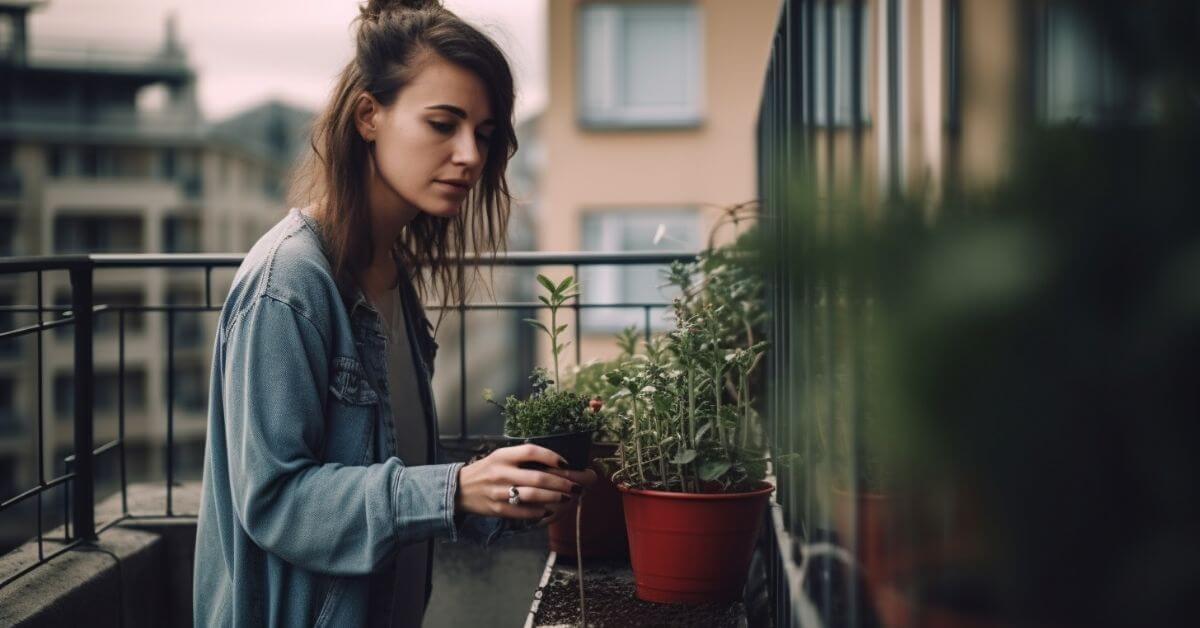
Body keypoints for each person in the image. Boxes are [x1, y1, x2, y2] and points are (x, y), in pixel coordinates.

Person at [192, 1, 596, 625]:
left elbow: (393, 469)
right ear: (368, 116)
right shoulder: (289, 285)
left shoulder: (389, 273)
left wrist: (508, 491)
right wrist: (455, 488)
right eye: (443, 124)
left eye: (484, 134)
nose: (470, 155)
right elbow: (275, 502)